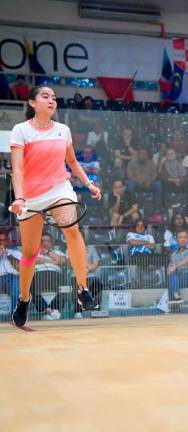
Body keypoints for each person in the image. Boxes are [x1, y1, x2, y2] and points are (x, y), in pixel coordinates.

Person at [9, 85, 101, 327]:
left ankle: (83, 289)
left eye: (54, 97)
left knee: (72, 231)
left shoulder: (63, 130)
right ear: (32, 102)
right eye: (45, 96)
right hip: (30, 196)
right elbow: (17, 169)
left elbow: (71, 161)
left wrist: (88, 183)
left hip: (60, 189)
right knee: (30, 253)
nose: (51, 100)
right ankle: (24, 299)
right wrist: (19, 198)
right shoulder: (20, 131)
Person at [166, 231, 188, 304]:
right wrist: (169, 270)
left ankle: (174, 298)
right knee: (172, 276)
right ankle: (176, 297)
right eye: (180, 237)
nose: (183, 239)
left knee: (172, 278)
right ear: (177, 240)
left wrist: (175, 266)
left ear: (187, 239)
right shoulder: (174, 254)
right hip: (178, 278)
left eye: (185, 237)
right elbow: (170, 269)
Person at [0, 232, 20, 316]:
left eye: (3, 240)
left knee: (16, 288)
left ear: (7, 241)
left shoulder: (15, 252)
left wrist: (8, 255)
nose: (1, 242)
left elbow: (19, 268)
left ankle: (14, 314)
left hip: (12, 277)